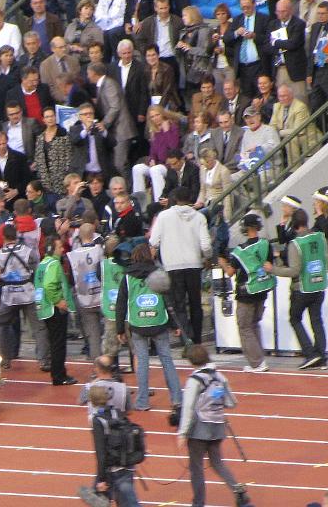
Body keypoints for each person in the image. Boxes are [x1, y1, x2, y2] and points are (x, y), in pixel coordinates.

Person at [177, 344, 251, 507]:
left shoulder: (194, 380)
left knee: (196, 468)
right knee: (217, 462)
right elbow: (231, 402)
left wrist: (182, 433)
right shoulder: (219, 377)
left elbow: (188, 408)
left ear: (191, 361)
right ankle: (237, 490)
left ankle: (198, 502)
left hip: (199, 429)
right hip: (217, 426)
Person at [115, 242, 182, 411]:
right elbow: (169, 301)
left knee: (142, 361)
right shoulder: (158, 274)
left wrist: (120, 329)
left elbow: (121, 304)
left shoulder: (128, 277)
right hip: (159, 321)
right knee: (166, 359)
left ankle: (143, 401)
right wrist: (175, 324)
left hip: (138, 324)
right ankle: (176, 398)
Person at [266, 209, 328, 370]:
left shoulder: (296, 244)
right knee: (317, 320)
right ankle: (321, 356)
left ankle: (310, 353)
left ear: (294, 225)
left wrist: (272, 269)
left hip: (301, 288)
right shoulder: (321, 238)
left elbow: (294, 271)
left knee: (294, 318)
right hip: (319, 285)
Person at [149, 186, 211, 344]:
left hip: (173, 265)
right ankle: (197, 340)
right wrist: (207, 257)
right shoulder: (199, 217)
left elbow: (153, 241)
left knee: (179, 305)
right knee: (196, 303)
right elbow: (205, 245)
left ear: (174, 199)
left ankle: (186, 340)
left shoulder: (163, 216)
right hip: (194, 265)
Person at [218, 213, 274, 372]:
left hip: (246, 292)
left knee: (244, 327)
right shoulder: (266, 244)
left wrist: (222, 262)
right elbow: (269, 263)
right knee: (255, 324)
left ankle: (256, 362)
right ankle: (259, 359)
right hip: (262, 289)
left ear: (246, 228)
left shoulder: (239, 250)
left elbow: (230, 272)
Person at [0, 224, 48, 370]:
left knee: (2, 324)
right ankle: (43, 361)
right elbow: (36, 270)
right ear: (16, 236)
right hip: (28, 293)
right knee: (39, 328)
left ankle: (5, 359)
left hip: (8, 295)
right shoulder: (28, 252)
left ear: (3, 237)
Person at [78, 385, 140, 507]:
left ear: (92, 401)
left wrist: (101, 479)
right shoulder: (116, 412)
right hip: (127, 463)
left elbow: (101, 453)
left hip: (112, 469)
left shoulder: (97, 421)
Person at [35, 234, 78, 385]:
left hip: (44, 308)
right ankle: (59, 375)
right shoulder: (53, 264)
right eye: (59, 247)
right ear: (52, 249)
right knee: (58, 343)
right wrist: (58, 301)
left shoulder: (42, 264)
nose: (62, 249)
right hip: (54, 309)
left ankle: (57, 373)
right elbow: (49, 285)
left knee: (54, 342)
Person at [67, 223, 105, 361]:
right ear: (93, 233)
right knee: (109, 331)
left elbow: (71, 279)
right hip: (102, 295)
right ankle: (111, 363)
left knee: (93, 334)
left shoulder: (73, 255)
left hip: (84, 297)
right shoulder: (101, 251)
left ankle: (97, 365)